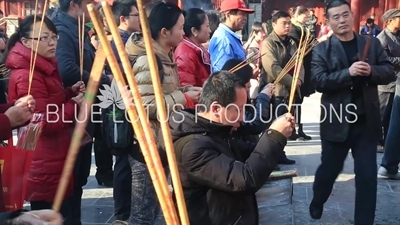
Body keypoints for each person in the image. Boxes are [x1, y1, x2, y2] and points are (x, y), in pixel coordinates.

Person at [169, 70, 294, 225]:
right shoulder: (192, 146)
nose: (242, 117)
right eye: (239, 109)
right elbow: (244, 179)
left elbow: (250, 150)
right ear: (215, 109)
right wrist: (274, 136)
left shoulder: (216, 131)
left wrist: (277, 135)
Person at [309, 1, 395, 224]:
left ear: (351, 15)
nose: (342, 20)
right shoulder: (321, 50)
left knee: (367, 177)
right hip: (336, 120)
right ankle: (318, 199)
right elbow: (318, 81)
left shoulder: (371, 44)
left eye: (345, 15)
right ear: (328, 21)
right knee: (329, 171)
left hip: (366, 122)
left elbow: (389, 72)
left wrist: (371, 71)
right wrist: (347, 73)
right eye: (336, 17)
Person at [5, 15, 85, 224]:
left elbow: (48, 100)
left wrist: (68, 93)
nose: (52, 42)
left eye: (53, 37)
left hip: (53, 153)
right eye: (44, 38)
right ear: (26, 42)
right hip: (42, 157)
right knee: (50, 215)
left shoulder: (43, 67)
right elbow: (44, 123)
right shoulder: (27, 75)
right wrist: (74, 104)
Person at [124, 2, 199, 224]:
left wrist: (186, 91)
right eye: (180, 27)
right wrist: (183, 98)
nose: (183, 33)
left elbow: (163, 93)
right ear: (164, 32)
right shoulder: (149, 59)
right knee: (143, 215)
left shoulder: (164, 55)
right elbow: (144, 105)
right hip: (147, 148)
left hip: (161, 143)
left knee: (158, 209)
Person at [52, 0, 111, 223]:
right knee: (70, 178)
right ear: (75, 5)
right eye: (90, 3)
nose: (95, 6)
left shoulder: (78, 28)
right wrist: (105, 80)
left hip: (83, 111)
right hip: (70, 113)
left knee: (78, 178)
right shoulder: (62, 30)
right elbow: (67, 70)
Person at [261, 10, 302, 165]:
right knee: (272, 126)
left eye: (289, 23)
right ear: (273, 25)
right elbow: (272, 67)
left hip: (289, 91)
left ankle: (280, 154)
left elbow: (300, 63)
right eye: (283, 23)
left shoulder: (292, 42)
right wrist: (292, 81)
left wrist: (300, 80)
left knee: (286, 123)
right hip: (274, 91)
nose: (287, 26)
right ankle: (269, 158)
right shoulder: (268, 43)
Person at [377, 9, 400, 179]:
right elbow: (383, 59)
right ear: (390, 21)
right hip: (386, 83)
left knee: (392, 120)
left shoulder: (398, 36)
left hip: (397, 81)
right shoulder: (381, 38)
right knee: (382, 115)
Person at [208, 0, 256, 73]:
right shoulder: (224, 39)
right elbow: (223, 75)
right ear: (228, 15)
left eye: (245, 14)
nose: (245, 18)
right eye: (242, 14)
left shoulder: (229, 36)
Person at [175, 8, 211, 88]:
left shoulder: (197, 47)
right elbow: (188, 88)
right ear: (194, 31)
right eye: (207, 26)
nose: (210, 30)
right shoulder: (185, 54)